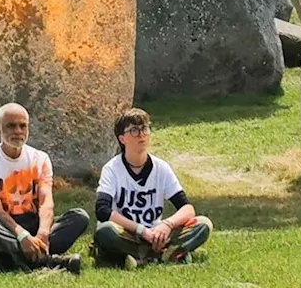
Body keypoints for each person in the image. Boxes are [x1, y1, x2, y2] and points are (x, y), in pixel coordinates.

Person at [0, 103, 89, 274]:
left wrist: (42, 233)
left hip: (33, 223)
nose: (18, 131)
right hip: (4, 227)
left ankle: (7, 258)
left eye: (22, 125)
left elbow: (46, 201)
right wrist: (22, 236)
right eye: (11, 126)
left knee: (79, 217)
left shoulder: (40, 158)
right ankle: (49, 260)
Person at [91, 108, 213, 268]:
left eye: (145, 128)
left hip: (157, 234)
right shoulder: (112, 169)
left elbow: (187, 208)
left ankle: (141, 257)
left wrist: (167, 225)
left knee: (203, 224)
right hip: (129, 234)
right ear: (122, 139)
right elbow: (102, 210)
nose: (141, 134)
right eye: (134, 130)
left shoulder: (161, 167)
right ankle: (168, 254)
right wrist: (142, 231)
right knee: (105, 230)